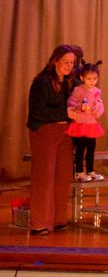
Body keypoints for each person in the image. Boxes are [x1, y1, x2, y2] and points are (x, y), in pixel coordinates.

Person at [26, 45, 79, 234]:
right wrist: (65, 112)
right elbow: (37, 111)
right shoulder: (42, 82)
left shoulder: (67, 82)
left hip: (64, 131)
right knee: (44, 176)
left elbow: (72, 105)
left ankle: (58, 218)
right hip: (44, 131)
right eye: (66, 62)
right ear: (55, 60)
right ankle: (40, 222)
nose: (69, 66)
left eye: (72, 63)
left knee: (63, 176)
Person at [66, 62, 105, 182]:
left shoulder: (97, 91)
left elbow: (99, 103)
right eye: (89, 78)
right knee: (80, 148)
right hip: (80, 123)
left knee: (91, 148)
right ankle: (79, 172)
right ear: (82, 78)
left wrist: (97, 107)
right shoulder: (78, 90)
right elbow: (71, 103)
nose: (92, 81)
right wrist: (79, 107)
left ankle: (90, 170)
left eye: (95, 78)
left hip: (91, 124)